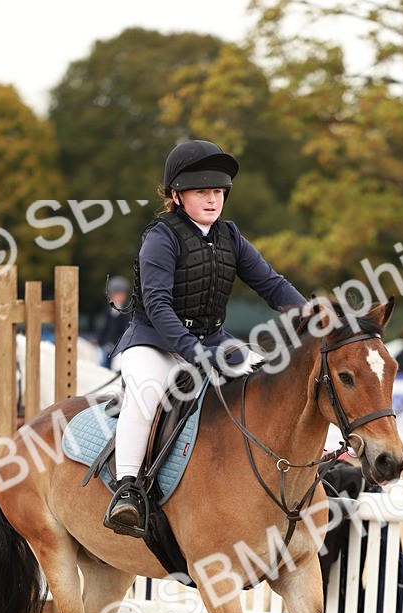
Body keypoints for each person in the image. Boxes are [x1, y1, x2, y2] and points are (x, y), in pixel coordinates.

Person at [105, 139, 307, 536]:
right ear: (177, 195)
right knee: (146, 394)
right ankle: (128, 489)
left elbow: (271, 285)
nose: (213, 199)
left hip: (212, 341)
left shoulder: (230, 235)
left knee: (273, 380)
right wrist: (195, 352)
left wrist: (313, 315)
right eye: (202, 192)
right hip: (154, 342)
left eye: (218, 191)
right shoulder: (161, 237)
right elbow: (158, 305)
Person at [97, 276, 131, 369]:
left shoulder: (127, 311)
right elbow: (105, 328)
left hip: (120, 347)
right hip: (107, 345)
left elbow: (125, 331)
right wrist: (98, 339)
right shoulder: (109, 310)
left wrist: (115, 344)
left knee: (116, 365)